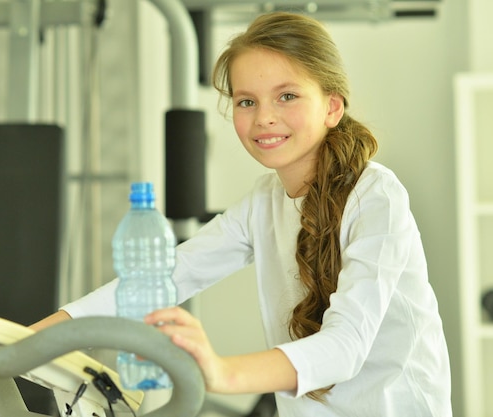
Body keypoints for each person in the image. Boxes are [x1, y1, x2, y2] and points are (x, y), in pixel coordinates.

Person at [33, 11, 452, 416]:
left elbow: (344, 348)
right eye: (246, 101)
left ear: (332, 107)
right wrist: (32, 338)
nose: (264, 117)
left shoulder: (377, 196)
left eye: (287, 96)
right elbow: (168, 275)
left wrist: (221, 371)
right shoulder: (264, 200)